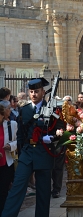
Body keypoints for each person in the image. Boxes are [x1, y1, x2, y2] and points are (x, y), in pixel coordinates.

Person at [2, 78, 65, 217]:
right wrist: (20, 151)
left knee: (43, 193)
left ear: (43, 91)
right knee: (17, 188)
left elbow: (61, 132)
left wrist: (52, 138)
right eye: (31, 92)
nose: (33, 94)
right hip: (27, 152)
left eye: (36, 91)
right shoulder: (25, 110)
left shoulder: (53, 110)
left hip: (44, 152)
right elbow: (20, 135)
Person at [0, 102, 18, 215]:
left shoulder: (12, 124)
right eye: (8, 108)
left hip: (6, 162)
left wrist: (10, 146)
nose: (10, 110)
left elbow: (18, 140)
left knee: (3, 190)